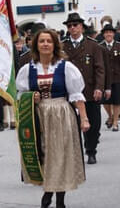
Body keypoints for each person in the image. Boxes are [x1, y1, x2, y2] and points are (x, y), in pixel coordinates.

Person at [16, 29, 89, 208]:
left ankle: (58, 200)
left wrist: (84, 119)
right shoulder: (28, 69)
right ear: (36, 45)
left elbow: (76, 94)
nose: (46, 44)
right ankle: (48, 192)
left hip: (61, 114)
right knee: (44, 154)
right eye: (42, 41)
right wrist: (30, 97)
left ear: (55, 45)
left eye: (49, 41)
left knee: (60, 156)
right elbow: (20, 94)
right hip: (38, 116)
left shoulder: (66, 67)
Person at [62, 13, 105, 165]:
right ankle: (75, 152)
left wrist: (99, 87)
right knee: (71, 124)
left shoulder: (93, 46)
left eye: (75, 25)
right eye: (69, 26)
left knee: (93, 124)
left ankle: (91, 150)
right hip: (69, 93)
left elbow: (100, 69)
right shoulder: (62, 46)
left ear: (82, 27)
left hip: (89, 91)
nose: (72, 28)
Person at [99, 24, 120, 131]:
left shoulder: (118, 45)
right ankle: (110, 116)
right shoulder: (99, 46)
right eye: (106, 32)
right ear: (103, 34)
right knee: (105, 101)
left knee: (117, 101)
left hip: (117, 78)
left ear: (113, 34)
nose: (108, 34)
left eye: (110, 32)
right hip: (104, 78)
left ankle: (115, 122)